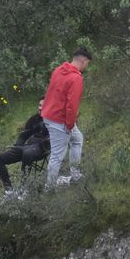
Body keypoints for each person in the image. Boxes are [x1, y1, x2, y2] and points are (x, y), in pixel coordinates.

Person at [42, 47, 91, 186]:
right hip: (60, 121)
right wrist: (69, 124)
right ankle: (49, 188)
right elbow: (72, 104)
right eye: (87, 63)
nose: (87, 66)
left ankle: (75, 174)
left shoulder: (58, 70)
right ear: (83, 61)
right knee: (57, 156)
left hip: (49, 115)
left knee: (77, 139)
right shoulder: (76, 78)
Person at [0, 108, 51, 196]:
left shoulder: (54, 119)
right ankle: (9, 191)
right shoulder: (34, 119)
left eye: (43, 105)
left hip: (42, 148)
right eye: (39, 105)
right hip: (27, 147)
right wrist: (18, 145)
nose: (40, 108)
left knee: (27, 153)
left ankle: (23, 189)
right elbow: (24, 134)